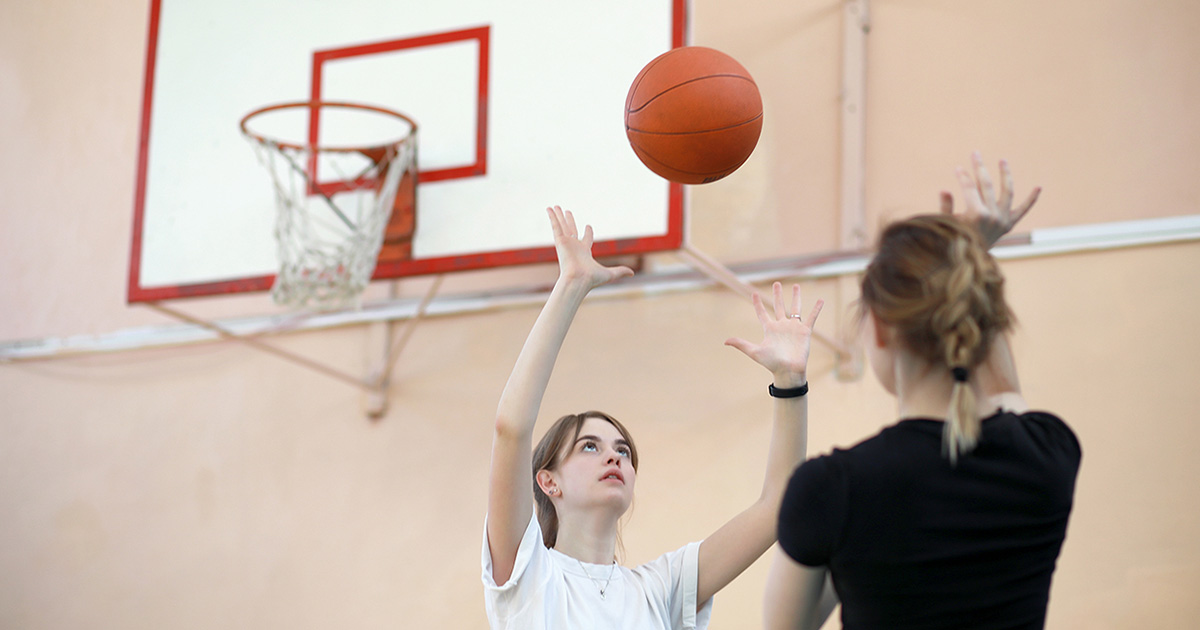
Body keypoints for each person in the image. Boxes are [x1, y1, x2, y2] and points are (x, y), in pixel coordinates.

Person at [762, 153, 1082, 630]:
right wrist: (972, 252)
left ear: (884, 330)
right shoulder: (1049, 452)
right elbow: (1005, 388)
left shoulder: (834, 489)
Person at [483, 205, 824, 629]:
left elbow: (779, 505)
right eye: (590, 446)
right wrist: (570, 287)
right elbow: (511, 429)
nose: (614, 458)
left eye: (623, 451)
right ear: (548, 481)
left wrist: (790, 382)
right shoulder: (529, 574)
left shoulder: (662, 587)